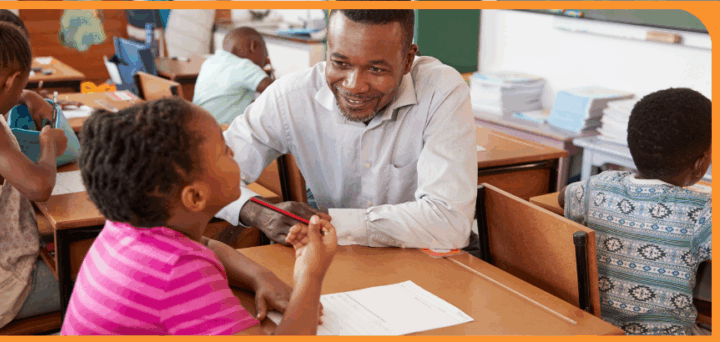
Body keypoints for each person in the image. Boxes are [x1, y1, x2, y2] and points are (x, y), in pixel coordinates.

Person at [61, 98, 337, 335]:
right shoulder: (177, 272)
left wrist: (259, 276)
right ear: (195, 198)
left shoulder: (128, 224)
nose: (233, 152)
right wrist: (310, 275)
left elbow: (206, 246)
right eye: (223, 150)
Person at [215, 9, 477, 249]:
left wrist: (327, 224)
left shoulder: (441, 91)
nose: (354, 85)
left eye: (375, 69)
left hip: (425, 261)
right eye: (340, 63)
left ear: (408, 60)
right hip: (337, 262)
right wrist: (256, 211)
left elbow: (450, 223)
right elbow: (206, 174)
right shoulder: (292, 97)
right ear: (328, 48)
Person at [559, 88, 712, 335]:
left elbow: (562, 196)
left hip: (598, 329)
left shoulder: (598, 186)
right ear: (700, 164)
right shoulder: (702, 211)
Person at [0, 16, 67, 333]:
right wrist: (49, 147)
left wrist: (22, 95)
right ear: (11, 80)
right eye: (19, 85)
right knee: (93, 277)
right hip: (2, 293)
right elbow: (39, 186)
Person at [192, 27, 275, 125]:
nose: (264, 62)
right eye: (265, 55)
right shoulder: (244, 66)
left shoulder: (210, 61)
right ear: (253, 46)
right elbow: (278, 91)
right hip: (219, 133)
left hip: (199, 126)